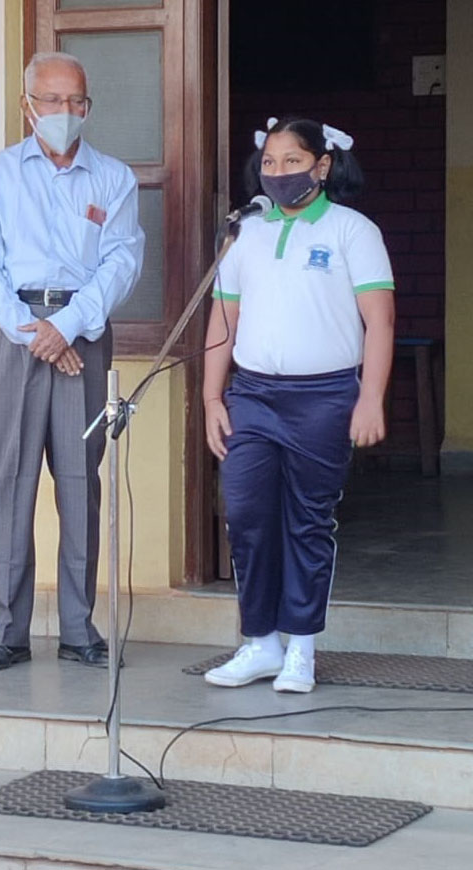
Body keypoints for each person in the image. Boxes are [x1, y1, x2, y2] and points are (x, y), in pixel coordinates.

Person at [0, 52, 144, 671]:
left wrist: (65, 328)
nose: (66, 113)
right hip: (14, 336)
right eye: (53, 101)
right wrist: (34, 332)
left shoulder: (112, 179)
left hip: (83, 333)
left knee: (79, 481)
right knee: (7, 480)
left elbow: (121, 263)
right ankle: (6, 631)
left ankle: (78, 627)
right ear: (27, 106)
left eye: (77, 102)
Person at [203, 116, 395, 693]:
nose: (280, 173)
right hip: (255, 396)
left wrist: (371, 398)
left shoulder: (352, 231)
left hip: (325, 396)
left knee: (309, 521)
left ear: (323, 165)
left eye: (293, 161)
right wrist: (214, 394)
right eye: (270, 163)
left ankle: (301, 649)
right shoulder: (247, 233)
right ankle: (260, 642)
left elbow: (380, 321)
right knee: (246, 515)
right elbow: (222, 318)